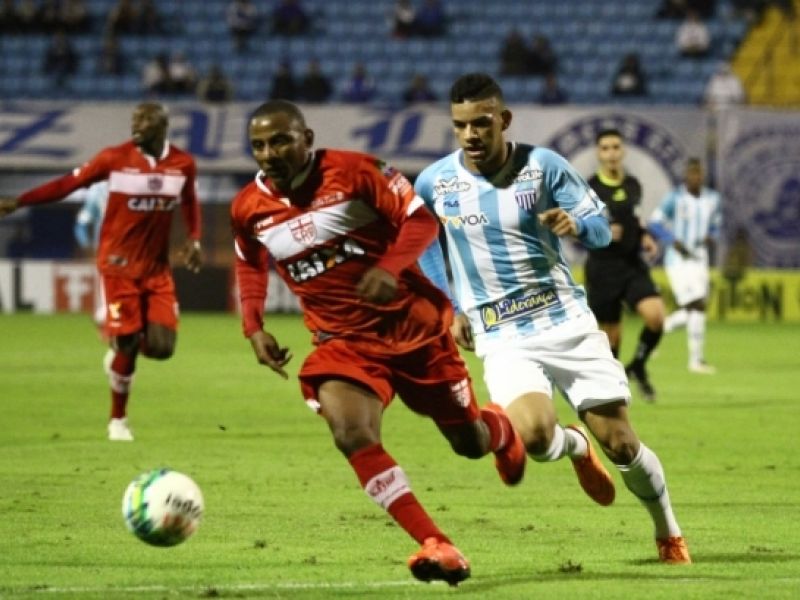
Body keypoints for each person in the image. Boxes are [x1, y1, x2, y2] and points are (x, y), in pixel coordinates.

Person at [230, 99, 526, 585]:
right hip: (342, 342)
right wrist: (253, 326)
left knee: (469, 442)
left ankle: (501, 431)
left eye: (280, 141)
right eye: (258, 145)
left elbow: (422, 221)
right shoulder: (248, 207)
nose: (269, 153)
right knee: (351, 433)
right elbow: (248, 262)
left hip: (413, 330)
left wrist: (389, 268)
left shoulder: (357, 172)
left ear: (306, 139)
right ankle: (436, 542)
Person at [416, 72, 691, 565]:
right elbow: (422, 242)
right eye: (461, 125)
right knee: (537, 439)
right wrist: (449, 306)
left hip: (564, 320)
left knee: (621, 444)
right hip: (501, 333)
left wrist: (576, 225)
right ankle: (576, 447)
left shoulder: (543, 167)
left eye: (481, 123)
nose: (471, 134)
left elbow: (602, 230)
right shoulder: (436, 181)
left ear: (504, 119)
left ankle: (667, 531)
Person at [0, 103, 203, 442]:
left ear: (162, 126)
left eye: (145, 120)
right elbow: (67, 184)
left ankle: (120, 349)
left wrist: (194, 239)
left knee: (162, 348)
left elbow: (190, 202)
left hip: (156, 269)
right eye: (134, 118)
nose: (136, 124)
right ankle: (117, 420)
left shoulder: (183, 164)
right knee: (128, 342)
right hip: (118, 265)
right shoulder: (113, 158)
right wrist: (21, 201)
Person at [586, 129, 665, 402]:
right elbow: (575, 228)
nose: (611, 153)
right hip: (603, 267)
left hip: (632, 264)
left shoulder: (633, 185)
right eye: (605, 148)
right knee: (611, 339)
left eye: (615, 147)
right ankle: (615, 390)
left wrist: (644, 236)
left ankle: (638, 365)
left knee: (656, 316)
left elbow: (635, 218)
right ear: (598, 153)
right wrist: (602, 231)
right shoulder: (589, 189)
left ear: (623, 151)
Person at [649, 158, 721, 374]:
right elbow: (654, 222)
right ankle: (696, 361)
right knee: (697, 305)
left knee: (695, 308)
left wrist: (711, 236)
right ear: (686, 176)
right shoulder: (675, 198)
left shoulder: (713, 199)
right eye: (692, 173)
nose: (695, 177)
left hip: (700, 259)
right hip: (678, 260)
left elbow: (716, 225)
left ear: (703, 175)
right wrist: (672, 241)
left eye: (698, 173)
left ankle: (656, 331)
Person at [74, 181, 110, 332]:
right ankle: (107, 317)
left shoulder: (98, 190)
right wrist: (87, 246)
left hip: (123, 248)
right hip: (108, 248)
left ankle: (105, 315)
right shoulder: (98, 191)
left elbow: (80, 226)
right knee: (109, 285)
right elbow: (81, 225)